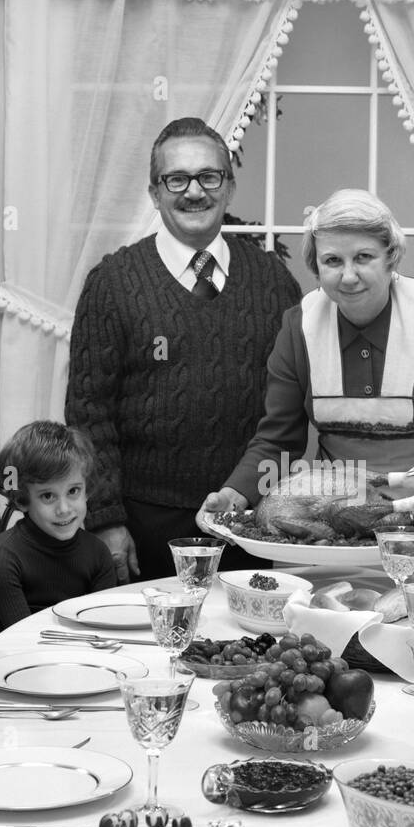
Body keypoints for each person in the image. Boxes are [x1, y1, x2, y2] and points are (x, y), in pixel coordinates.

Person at [199, 189, 414, 586]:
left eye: (363, 257)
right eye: (332, 261)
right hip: (331, 511)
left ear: (390, 257)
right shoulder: (298, 330)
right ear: (316, 266)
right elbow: (279, 439)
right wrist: (235, 496)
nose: (348, 275)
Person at [65, 117, 302, 583]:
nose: (194, 191)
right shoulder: (112, 284)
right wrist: (107, 520)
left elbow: (291, 412)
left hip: (246, 521)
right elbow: (89, 414)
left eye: (209, 177)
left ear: (229, 187)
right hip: (142, 524)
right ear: (155, 193)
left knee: (246, 650)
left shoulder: (274, 284)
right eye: (177, 179)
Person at [0, 421, 118, 640]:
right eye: (48, 496)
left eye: (73, 491)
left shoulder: (98, 553)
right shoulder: (2, 560)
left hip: (80, 662)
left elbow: (102, 632)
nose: (64, 509)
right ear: (22, 499)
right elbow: (26, 642)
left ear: (87, 489)